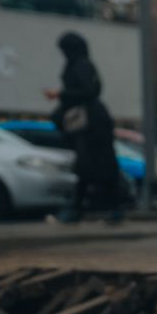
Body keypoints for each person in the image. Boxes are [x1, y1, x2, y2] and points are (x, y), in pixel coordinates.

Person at [45, 32, 124, 224]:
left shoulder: (80, 66)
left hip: (92, 125)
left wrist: (61, 94)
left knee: (93, 166)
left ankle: (92, 209)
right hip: (92, 123)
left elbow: (88, 91)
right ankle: (100, 209)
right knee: (92, 167)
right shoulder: (84, 64)